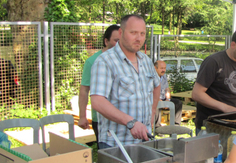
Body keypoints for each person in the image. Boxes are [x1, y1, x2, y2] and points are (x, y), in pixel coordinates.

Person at [90, 15, 161, 148]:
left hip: (144, 140)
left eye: (142, 33)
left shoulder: (145, 60)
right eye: (133, 33)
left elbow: (157, 85)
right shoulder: (105, 61)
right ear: (121, 33)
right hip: (116, 143)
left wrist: (152, 112)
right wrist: (131, 122)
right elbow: (98, 101)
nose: (138, 38)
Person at [192, 25, 236, 134]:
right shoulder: (213, 62)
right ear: (233, 45)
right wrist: (225, 108)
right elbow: (197, 94)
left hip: (233, 125)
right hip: (209, 126)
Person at [78, 25, 121, 145]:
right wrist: (82, 116)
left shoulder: (125, 60)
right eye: (116, 40)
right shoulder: (93, 61)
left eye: (121, 41)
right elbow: (84, 90)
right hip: (101, 119)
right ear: (106, 41)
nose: (119, 44)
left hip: (122, 117)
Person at [154, 60, 183, 127]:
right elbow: (149, 91)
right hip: (154, 99)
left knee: (178, 103)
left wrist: (168, 99)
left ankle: (176, 125)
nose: (163, 70)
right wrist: (158, 99)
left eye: (165, 68)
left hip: (163, 98)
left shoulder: (164, 76)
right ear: (155, 68)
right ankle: (157, 127)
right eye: (161, 68)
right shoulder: (151, 77)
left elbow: (167, 89)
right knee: (156, 104)